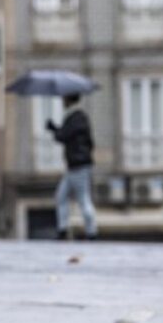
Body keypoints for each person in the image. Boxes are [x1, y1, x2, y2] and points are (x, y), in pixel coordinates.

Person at [45, 93, 97, 240]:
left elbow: (63, 136)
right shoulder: (80, 118)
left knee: (83, 199)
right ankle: (62, 229)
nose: (62, 101)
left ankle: (91, 232)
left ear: (68, 100)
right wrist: (56, 129)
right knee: (61, 196)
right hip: (75, 166)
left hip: (78, 165)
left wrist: (53, 129)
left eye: (63, 99)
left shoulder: (75, 118)